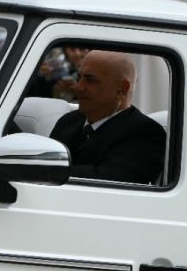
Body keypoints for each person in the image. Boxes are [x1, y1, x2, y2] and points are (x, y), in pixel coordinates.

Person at [49, 49, 165, 184]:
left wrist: (46, 171)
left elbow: (109, 179)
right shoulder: (69, 121)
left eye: (90, 80)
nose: (78, 87)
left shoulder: (146, 134)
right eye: (79, 77)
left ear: (122, 89)